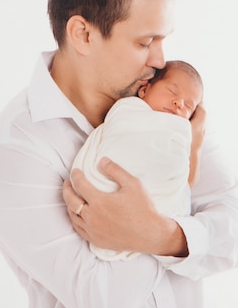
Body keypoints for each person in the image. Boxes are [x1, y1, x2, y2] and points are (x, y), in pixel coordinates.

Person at [0, 0, 238, 308]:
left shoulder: (168, 105)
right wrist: (179, 223)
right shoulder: (15, 152)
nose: (160, 60)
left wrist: (161, 235)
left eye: (163, 40)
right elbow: (105, 297)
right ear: (83, 34)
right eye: (145, 42)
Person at [73, 60, 204, 261]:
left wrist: (194, 144)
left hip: (152, 221)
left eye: (188, 105)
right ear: (144, 90)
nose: (179, 104)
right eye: (172, 91)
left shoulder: (179, 132)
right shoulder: (128, 112)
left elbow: (182, 179)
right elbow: (118, 143)